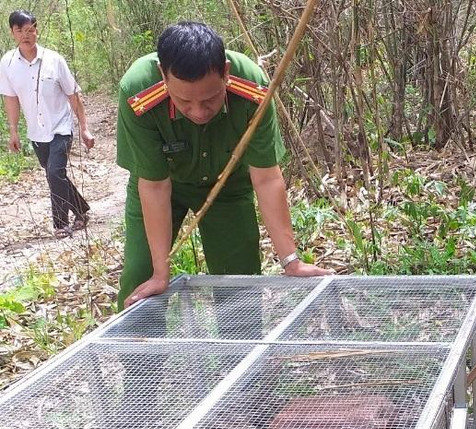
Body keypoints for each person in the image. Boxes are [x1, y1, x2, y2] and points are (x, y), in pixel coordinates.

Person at [116, 21, 329, 310]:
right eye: (184, 101)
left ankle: (240, 350)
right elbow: (154, 185)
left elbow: (266, 178)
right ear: (162, 77)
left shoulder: (252, 87)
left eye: (210, 99)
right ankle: (137, 354)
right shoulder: (138, 92)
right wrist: (159, 271)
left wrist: (290, 261)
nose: (198, 112)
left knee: (239, 282)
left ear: (226, 73)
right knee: (140, 278)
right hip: (162, 184)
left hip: (227, 186)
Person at [0, 10, 94, 238]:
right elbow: (11, 99)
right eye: (20, 30)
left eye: (30, 30)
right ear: (13, 33)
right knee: (56, 174)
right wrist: (13, 131)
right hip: (36, 132)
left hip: (61, 128)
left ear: (36, 30)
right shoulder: (8, 63)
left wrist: (84, 127)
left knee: (54, 173)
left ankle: (60, 224)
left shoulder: (55, 60)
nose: (26, 35)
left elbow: (73, 95)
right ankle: (82, 210)